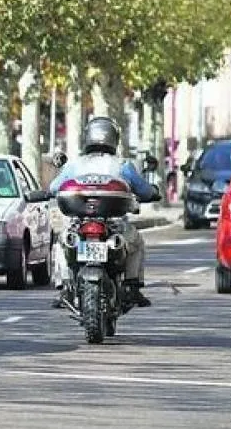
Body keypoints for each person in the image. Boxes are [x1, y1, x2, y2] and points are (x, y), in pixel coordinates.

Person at [49, 116, 157, 309]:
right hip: (114, 225)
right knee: (137, 243)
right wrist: (153, 193)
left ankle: (64, 286)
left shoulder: (75, 165)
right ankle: (132, 286)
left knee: (61, 242)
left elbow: (54, 187)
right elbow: (145, 191)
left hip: (78, 224)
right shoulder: (122, 165)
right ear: (114, 138)